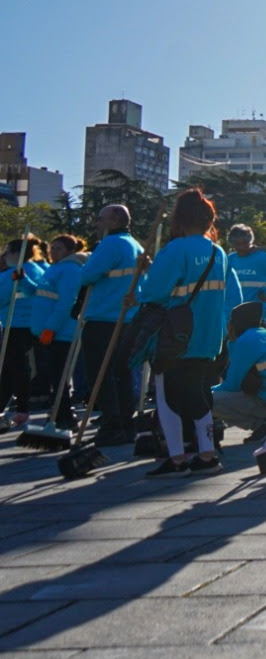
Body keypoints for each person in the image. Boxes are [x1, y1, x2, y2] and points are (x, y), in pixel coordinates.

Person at [137, 188, 230, 477]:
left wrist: (143, 277)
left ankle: (180, 456)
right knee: (197, 391)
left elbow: (154, 294)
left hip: (175, 337)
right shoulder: (218, 252)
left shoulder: (175, 250)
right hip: (209, 334)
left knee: (170, 397)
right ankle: (205, 452)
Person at [74, 205, 144, 446]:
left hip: (105, 317)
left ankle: (112, 424)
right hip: (127, 318)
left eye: (100, 218)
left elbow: (87, 276)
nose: (96, 223)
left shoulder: (110, 244)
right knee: (121, 373)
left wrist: (87, 263)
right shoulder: (135, 245)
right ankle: (125, 424)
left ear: (114, 221)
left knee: (100, 374)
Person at [212, 302, 266, 442]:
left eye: (232, 320)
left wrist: (206, 391)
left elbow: (232, 385)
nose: (229, 323)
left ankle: (262, 425)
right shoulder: (263, 334)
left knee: (209, 401)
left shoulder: (245, 341)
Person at [32, 235, 88, 431]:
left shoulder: (71, 270)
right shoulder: (54, 268)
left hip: (60, 331)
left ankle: (65, 415)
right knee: (55, 376)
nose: (52, 251)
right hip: (49, 329)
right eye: (52, 248)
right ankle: (60, 414)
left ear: (69, 251)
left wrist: (51, 328)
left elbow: (66, 302)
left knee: (60, 375)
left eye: (58, 249)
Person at [2, 237, 46, 430]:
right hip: (32, 324)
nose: (4, 255)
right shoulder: (39, 269)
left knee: (13, 368)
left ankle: (21, 409)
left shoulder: (13, 273)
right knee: (15, 368)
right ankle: (16, 407)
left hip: (13, 324)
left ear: (16, 254)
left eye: (7, 251)